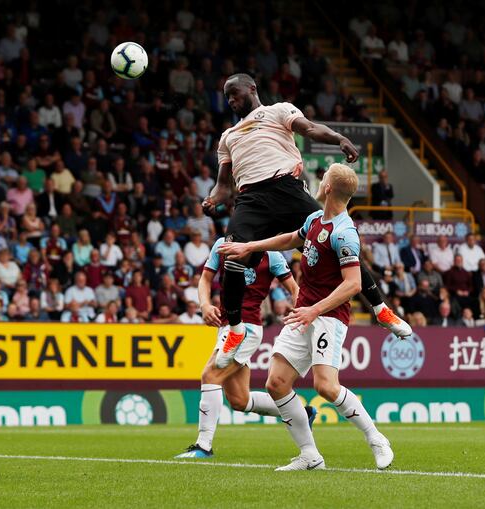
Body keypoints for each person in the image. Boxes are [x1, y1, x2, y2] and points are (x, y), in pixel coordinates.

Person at [202, 74, 410, 363]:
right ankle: (235, 329)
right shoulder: (228, 137)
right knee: (232, 255)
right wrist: (213, 198)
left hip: (287, 190)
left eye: (235, 94)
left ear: (252, 89)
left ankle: (381, 309)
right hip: (250, 200)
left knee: (337, 246)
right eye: (227, 98)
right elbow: (224, 185)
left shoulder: (277, 111)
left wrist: (339, 138)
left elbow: (310, 129)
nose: (231, 101)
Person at [218, 163, 393, 471]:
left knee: (326, 386)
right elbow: (288, 240)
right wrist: (251, 245)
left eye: (323, 177)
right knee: (276, 382)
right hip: (305, 312)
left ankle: (377, 438)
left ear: (327, 188)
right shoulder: (314, 218)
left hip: (327, 315)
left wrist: (314, 309)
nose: (319, 180)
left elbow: (353, 284)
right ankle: (310, 455)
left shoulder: (344, 232)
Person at [175, 236, 308, 460]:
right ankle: (301, 414)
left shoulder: (271, 252)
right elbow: (205, 279)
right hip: (226, 326)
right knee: (239, 400)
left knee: (210, 375)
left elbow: (295, 289)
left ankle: (203, 445)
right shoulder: (223, 244)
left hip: (247, 328)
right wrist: (205, 304)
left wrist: (302, 316)